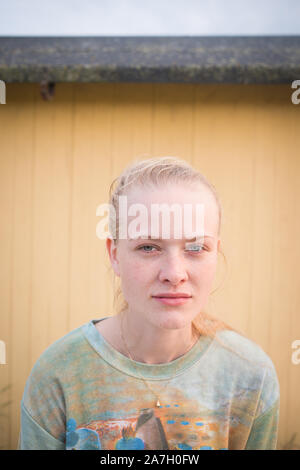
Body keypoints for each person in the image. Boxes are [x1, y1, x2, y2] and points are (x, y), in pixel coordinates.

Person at [18, 156, 280, 450]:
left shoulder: (251, 376)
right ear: (115, 254)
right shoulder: (58, 375)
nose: (174, 274)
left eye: (195, 247)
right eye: (148, 247)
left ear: (215, 254)